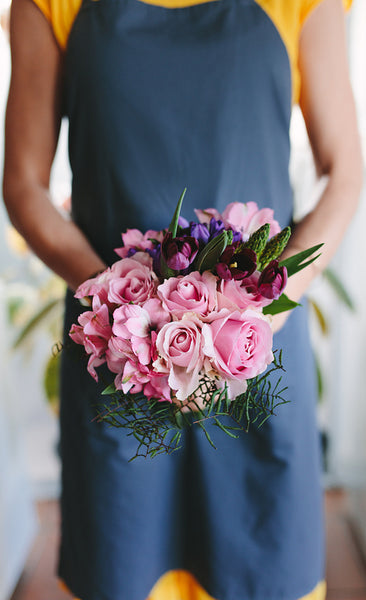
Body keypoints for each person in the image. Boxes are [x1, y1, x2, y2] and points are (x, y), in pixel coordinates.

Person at [3, 0, 363, 599]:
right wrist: (124, 309)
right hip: (121, 364)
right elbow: (23, 183)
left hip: (256, 358)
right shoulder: (48, 6)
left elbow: (345, 170)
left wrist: (264, 309)